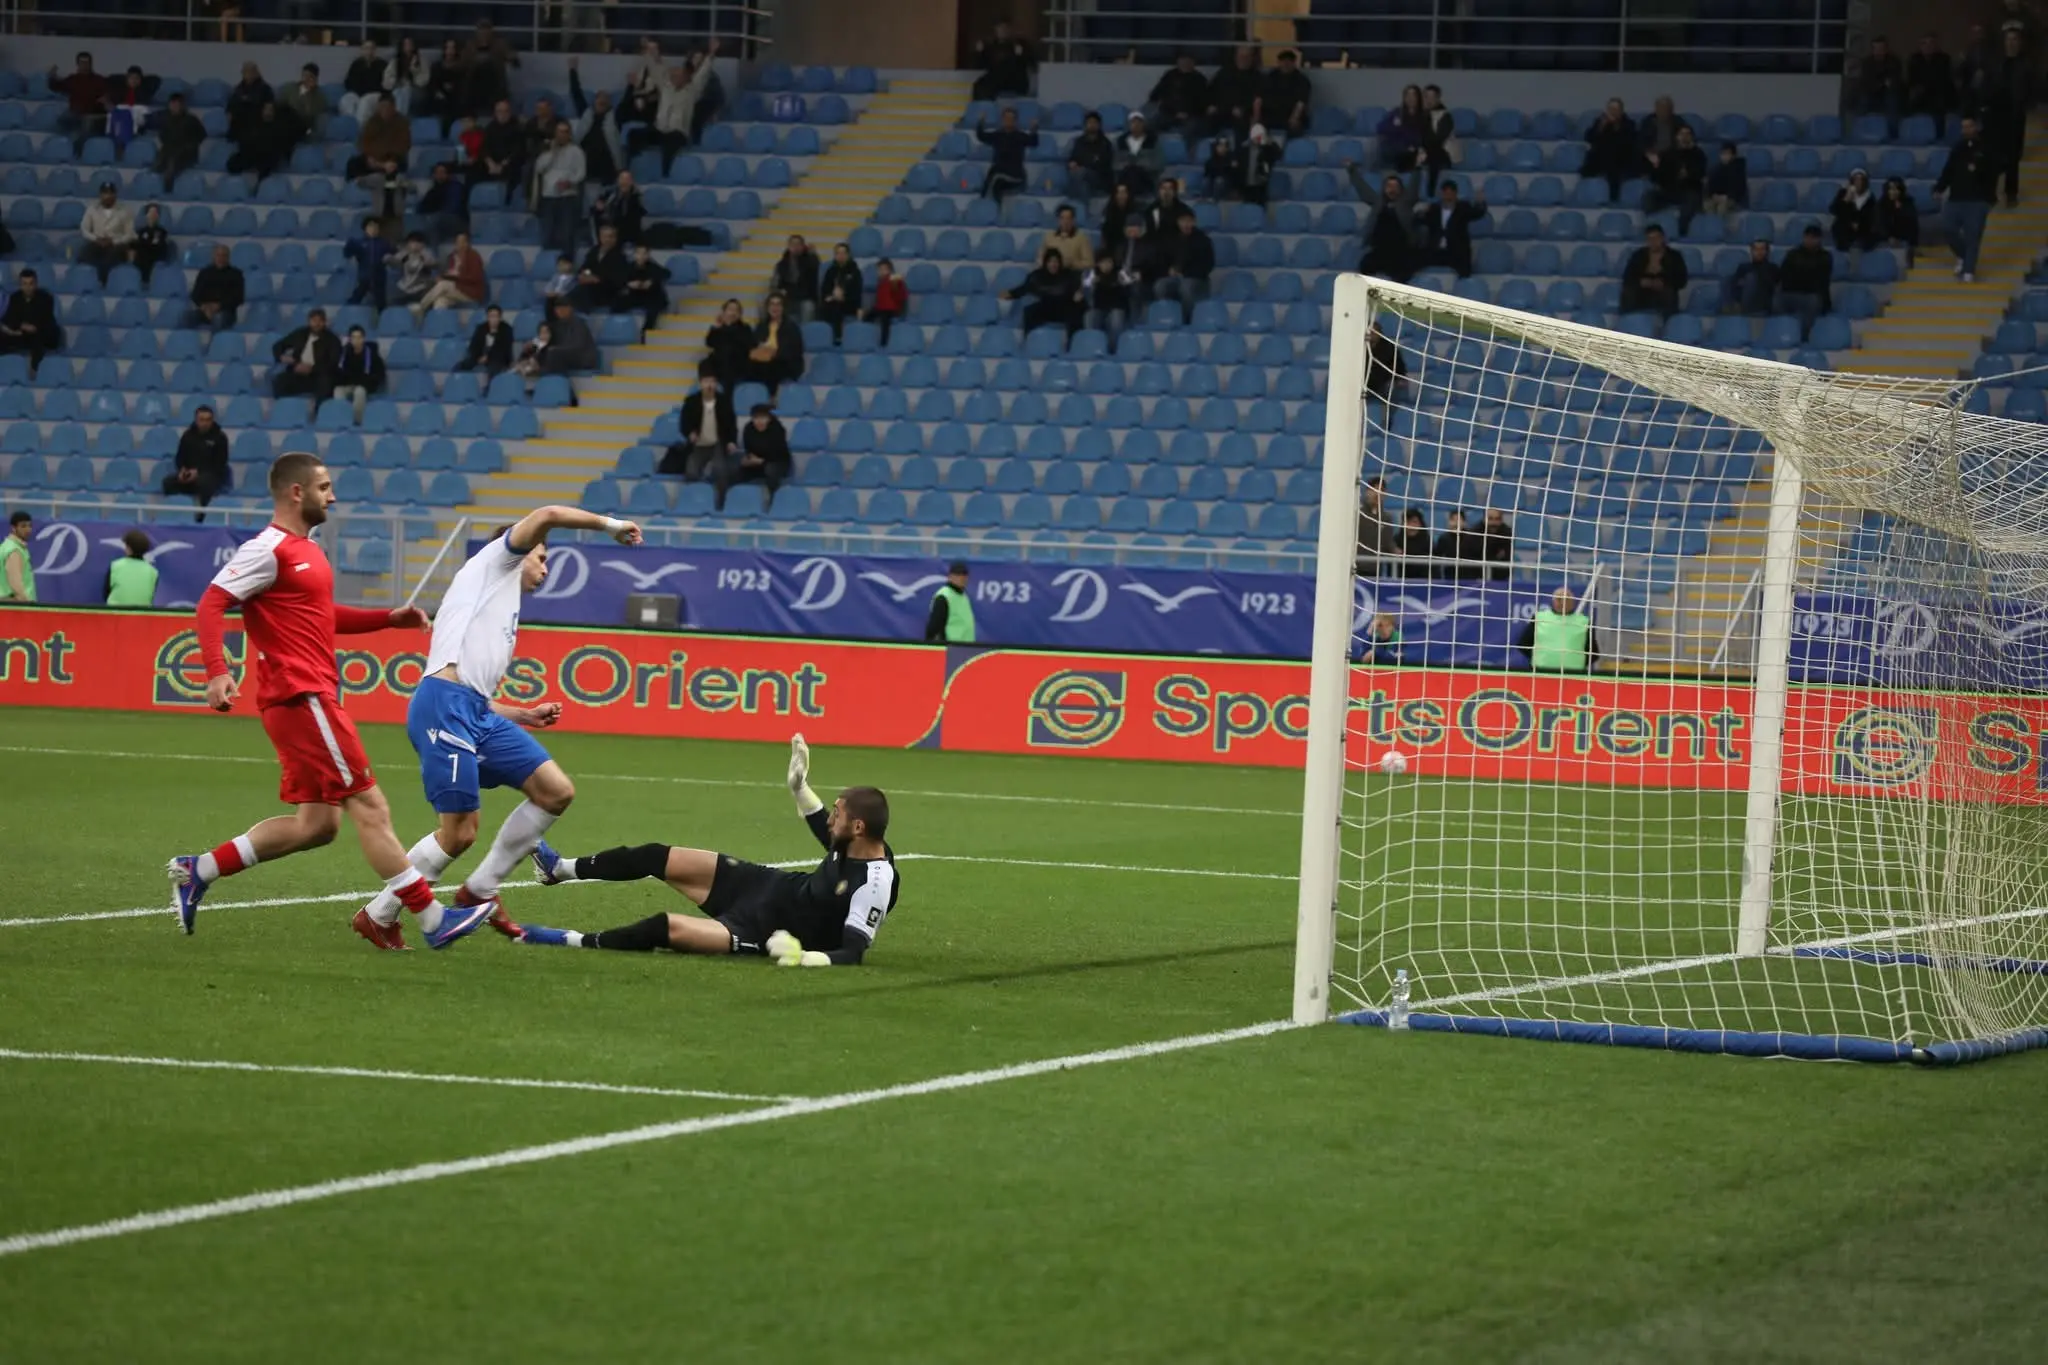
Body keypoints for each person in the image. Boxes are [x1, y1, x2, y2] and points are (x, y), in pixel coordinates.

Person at [166, 452, 462, 943]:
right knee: (369, 804)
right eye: (325, 487)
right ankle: (432, 918)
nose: (333, 496)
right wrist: (217, 672)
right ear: (296, 492)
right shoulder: (267, 549)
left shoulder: (308, 550)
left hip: (305, 699)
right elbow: (211, 603)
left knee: (317, 826)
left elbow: (324, 614)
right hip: (301, 695)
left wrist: (387, 619)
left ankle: (199, 870)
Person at [352, 505, 642, 951]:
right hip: (443, 709)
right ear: (520, 551)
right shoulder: (496, 561)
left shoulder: (500, 600)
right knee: (459, 833)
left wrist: (523, 714)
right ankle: (379, 915)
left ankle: (479, 889)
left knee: (555, 791)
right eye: (541, 558)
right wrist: (613, 526)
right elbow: (547, 512)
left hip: (475, 713)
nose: (545, 569)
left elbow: (476, 693)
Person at [511, 737, 899, 970]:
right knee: (656, 855)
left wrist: (805, 956)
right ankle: (558, 869)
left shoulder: (875, 882)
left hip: (762, 930)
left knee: (665, 928)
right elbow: (824, 832)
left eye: (837, 814)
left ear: (858, 827)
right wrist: (799, 788)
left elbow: (853, 952)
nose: (830, 819)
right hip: (765, 886)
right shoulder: (852, 842)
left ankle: (571, 940)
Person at [633, 49, 717, 177]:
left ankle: (665, 174)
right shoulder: (665, 88)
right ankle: (632, 168)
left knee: (670, 142)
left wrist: (711, 54)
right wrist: (649, 54)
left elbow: (702, 74)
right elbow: (655, 70)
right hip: (660, 130)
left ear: (685, 78)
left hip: (678, 133)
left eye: (677, 76)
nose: (673, 78)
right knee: (634, 135)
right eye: (672, 76)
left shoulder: (692, 91)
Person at [1934, 116, 1996, 282]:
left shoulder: (1987, 149)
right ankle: (1962, 256)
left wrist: (1990, 199)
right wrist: (1939, 188)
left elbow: (1992, 176)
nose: (1966, 130)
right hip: (1955, 198)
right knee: (1948, 229)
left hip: (1977, 200)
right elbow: (1948, 171)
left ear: (1977, 127)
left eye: (1969, 126)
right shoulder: (1958, 148)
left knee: (1973, 237)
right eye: (1963, 127)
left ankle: (1969, 271)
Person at [1983, 27, 2032, 207]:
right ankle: (1990, 192)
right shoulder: (1995, 64)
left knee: (2012, 159)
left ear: (2020, 43)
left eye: (2014, 39)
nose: (2011, 43)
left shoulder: (2026, 65)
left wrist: (2024, 104)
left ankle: (2011, 194)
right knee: (1993, 156)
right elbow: (1988, 86)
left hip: (2015, 118)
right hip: (1995, 117)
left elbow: (2032, 90)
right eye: (2008, 39)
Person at [663, 364, 736, 479]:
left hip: (718, 443)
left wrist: (731, 441)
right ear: (700, 383)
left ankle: (720, 491)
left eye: (712, 381)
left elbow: (731, 424)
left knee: (720, 471)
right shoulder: (691, 402)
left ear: (716, 383)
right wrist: (690, 433)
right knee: (691, 471)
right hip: (698, 444)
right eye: (706, 381)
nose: (709, 385)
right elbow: (684, 423)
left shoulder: (724, 402)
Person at [1349, 164, 1419, 282]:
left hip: (1400, 253)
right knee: (1365, 267)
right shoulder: (1378, 203)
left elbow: (1414, 188)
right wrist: (1352, 171)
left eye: (1395, 186)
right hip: (1379, 251)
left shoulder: (1405, 204)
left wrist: (1417, 168)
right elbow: (1363, 190)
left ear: (1401, 189)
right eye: (1389, 186)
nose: (1392, 189)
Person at [715, 403, 790, 511]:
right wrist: (748, 459)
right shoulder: (748, 428)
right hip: (755, 463)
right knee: (729, 472)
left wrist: (761, 461)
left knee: (771, 471)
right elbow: (749, 449)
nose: (759, 422)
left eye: (763, 418)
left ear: (769, 418)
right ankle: (721, 504)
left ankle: (773, 504)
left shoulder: (778, 429)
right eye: (756, 418)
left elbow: (778, 453)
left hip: (777, 462)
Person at [162, 405, 231, 518]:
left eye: (208, 420)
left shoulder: (220, 437)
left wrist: (198, 472)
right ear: (196, 420)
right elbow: (180, 457)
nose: (205, 423)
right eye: (202, 420)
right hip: (189, 475)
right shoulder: (187, 435)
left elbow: (220, 464)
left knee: (204, 482)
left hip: (211, 476)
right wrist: (182, 470)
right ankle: (174, 513)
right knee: (168, 483)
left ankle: (201, 516)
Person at [566, 58, 625, 188]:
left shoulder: (615, 117)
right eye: (600, 97)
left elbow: (626, 103)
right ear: (594, 100)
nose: (602, 100)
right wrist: (572, 70)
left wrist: (632, 85)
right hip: (585, 159)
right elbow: (576, 93)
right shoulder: (586, 112)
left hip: (606, 162)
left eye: (606, 98)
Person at [1005, 248, 1084, 337]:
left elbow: (1078, 292)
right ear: (1045, 263)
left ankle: (1074, 342)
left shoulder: (1068, 275)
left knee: (1075, 314)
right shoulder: (1037, 275)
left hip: (1065, 308)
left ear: (1060, 263)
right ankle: (1028, 339)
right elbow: (1024, 288)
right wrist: (1011, 294)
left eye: (1056, 262)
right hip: (1046, 308)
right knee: (1029, 312)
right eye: (1050, 262)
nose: (1053, 264)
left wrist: (1078, 296)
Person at [1516, 586, 1598, 672]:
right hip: (1541, 672)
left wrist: (1576, 662)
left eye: (1566, 599)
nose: (1562, 602)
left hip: (1573, 674)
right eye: (1559, 599)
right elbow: (1523, 644)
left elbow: (1593, 652)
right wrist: (1539, 658)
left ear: (1573, 602)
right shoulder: (1539, 618)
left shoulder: (1584, 622)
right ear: (1553, 601)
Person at [1642, 124, 1706, 234]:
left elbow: (1700, 174)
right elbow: (1657, 178)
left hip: (1689, 190)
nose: (1685, 137)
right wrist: (1655, 166)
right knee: (1649, 196)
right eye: (1682, 134)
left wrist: (1688, 174)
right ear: (1676, 137)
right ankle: (1651, 228)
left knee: (1692, 201)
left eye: (1688, 134)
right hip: (1669, 191)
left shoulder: (1698, 154)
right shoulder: (1668, 154)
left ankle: (1682, 232)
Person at [1418, 179, 1486, 278]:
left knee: (1463, 267)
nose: (1448, 196)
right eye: (1446, 193)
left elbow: (1477, 213)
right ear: (1442, 194)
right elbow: (1420, 221)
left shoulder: (1463, 207)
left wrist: (1480, 202)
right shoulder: (1433, 209)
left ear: (1455, 194)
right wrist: (1420, 212)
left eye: (1451, 193)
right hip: (1436, 250)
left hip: (1457, 251)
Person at [1154, 210, 1213, 325]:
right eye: (1183, 221)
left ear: (1194, 222)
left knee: (1185, 288)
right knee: (1160, 286)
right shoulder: (1171, 240)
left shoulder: (1203, 240)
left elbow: (1207, 265)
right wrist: (1169, 270)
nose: (1186, 224)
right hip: (1175, 277)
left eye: (1189, 221)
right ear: (1178, 222)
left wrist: (1185, 273)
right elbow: (1163, 260)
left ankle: (1187, 320)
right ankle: (1168, 317)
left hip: (1197, 278)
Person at [272, 308, 340, 407]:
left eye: (320, 321)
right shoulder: (300, 334)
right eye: (314, 321)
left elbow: (333, 363)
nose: (317, 324)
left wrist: (311, 369)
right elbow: (278, 346)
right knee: (280, 381)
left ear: (324, 322)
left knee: (326, 383)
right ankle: (283, 409)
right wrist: (281, 357)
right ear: (309, 321)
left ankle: (319, 412)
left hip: (319, 375)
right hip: (298, 373)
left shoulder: (333, 339)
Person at [1776, 225, 1833, 341]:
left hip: (1811, 295)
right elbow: (1784, 274)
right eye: (1807, 237)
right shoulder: (1793, 254)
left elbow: (1820, 280)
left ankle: (1803, 336)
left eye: (1813, 238)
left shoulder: (1825, 257)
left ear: (1819, 239)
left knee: (1813, 301)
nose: (1810, 240)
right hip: (1791, 293)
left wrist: (1800, 275)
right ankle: (1782, 332)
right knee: (1777, 300)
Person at [0, 270, 62, 374]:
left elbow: (45, 319)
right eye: (24, 284)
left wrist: (27, 326)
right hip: (22, 333)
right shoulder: (15, 298)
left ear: (36, 284)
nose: (28, 287)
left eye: (31, 284)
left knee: (39, 335)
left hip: (43, 333)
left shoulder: (46, 298)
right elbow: (10, 318)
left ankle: (34, 369)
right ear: (20, 285)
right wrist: (20, 326)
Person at [1580, 98, 1640, 203]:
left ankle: (1614, 200)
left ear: (1621, 111)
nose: (1613, 112)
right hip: (1601, 157)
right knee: (1587, 169)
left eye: (1615, 109)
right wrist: (1601, 127)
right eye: (1610, 109)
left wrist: (1617, 127)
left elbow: (1629, 142)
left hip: (1621, 158)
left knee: (1615, 171)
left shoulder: (1629, 124)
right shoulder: (1600, 122)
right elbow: (1589, 137)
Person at [1620, 224, 1687, 317]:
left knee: (1668, 293)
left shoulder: (1674, 256)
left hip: (1663, 291)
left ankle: (1668, 322)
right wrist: (1641, 282)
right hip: (1642, 293)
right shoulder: (1638, 255)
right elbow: (1627, 277)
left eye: (1656, 238)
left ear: (1662, 238)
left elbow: (1682, 280)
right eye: (1650, 239)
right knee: (1628, 292)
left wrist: (1663, 283)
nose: (1653, 241)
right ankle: (1628, 321)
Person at [976, 106, 1039, 203]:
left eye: (1011, 119)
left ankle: (988, 203)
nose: (1008, 121)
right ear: (1002, 120)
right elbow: (982, 136)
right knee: (995, 180)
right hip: (999, 174)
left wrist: (1034, 129)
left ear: (1015, 121)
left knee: (995, 177)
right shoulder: (998, 135)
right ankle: (986, 205)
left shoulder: (1020, 136)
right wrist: (981, 122)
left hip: (1015, 175)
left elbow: (1034, 142)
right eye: (1006, 118)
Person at [78, 180, 135, 287]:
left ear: (115, 195)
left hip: (116, 244)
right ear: (100, 195)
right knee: (83, 254)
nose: (107, 196)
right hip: (97, 242)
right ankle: (84, 283)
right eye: (105, 193)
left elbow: (130, 234)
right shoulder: (92, 209)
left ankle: (104, 284)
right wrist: (96, 239)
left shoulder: (125, 211)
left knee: (109, 259)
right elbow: (84, 229)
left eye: (110, 193)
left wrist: (113, 241)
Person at [416, 232, 487, 314]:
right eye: (457, 242)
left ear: (467, 243)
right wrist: (443, 277)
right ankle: (439, 320)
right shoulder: (452, 257)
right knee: (441, 300)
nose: (459, 244)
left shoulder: (474, 256)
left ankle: (420, 307)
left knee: (443, 285)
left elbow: (475, 278)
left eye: (462, 242)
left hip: (470, 292)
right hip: (456, 290)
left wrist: (457, 276)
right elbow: (449, 274)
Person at [226, 101, 296, 183]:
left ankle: (261, 185)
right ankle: (237, 184)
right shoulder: (255, 124)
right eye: (266, 109)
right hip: (253, 153)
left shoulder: (279, 127)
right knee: (233, 163)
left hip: (268, 155)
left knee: (267, 162)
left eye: (270, 110)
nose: (268, 112)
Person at [349, 92, 410, 186]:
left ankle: (390, 189)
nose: (384, 110)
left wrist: (383, 162)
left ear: (393, 107)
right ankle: (354, 187)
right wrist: (370, 157)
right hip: (374, 159)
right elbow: (365, 141)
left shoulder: (402, 123)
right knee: (353, 163)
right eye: (382, 106)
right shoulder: (372, 121)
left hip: (393, 158)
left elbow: (402, 146)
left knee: (393, 167)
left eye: (387, 107)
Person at [970, 19, 1036, 101]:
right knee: (981, 86)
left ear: (1010, 30)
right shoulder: (991, 47)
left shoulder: (1020, 44)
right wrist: (979, 53)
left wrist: (1020, 55)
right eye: (1000, 28)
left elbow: (1032, 65)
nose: (1003, 31)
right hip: (996, 81)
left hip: (1015, 80)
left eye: (1005, 28)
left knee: (1005, 66)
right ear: (995, 30)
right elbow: (980, 66)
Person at [154, 91, 205, 194]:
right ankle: (154, 186)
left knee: (173, 162)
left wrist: (189, 145)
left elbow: (201, 135)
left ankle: (168, 189)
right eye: (172, 104)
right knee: (160, 160)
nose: (174, 107)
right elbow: (162, 136)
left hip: (186, 152)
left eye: (177, 104)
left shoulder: (191, 120)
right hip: (169, 150)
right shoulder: (166, 120)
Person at [572, 223, 630, 313]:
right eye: (605, 236)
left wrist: (597, 279)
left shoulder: (620, 256)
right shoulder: (594, 251)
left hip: (607, 292)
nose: (608, 239)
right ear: (600, 237)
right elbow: (586, 268)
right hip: (589, 287)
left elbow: (618, 280)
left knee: (582, 292)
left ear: (616, 238)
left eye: (611, 237)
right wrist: (587, 275)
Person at [1206, 46, 1262, 138]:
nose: (1243, 59)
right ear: (1236, 57)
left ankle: (1240, 146)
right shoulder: (1224, 72)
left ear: (1251, 58)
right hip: (1222, 108)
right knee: (1208, 120)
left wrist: (1244, 108)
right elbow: (1211, 90)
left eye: (1246, 57)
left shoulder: (1257, 77)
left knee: (1242, 123)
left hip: (1242, 112)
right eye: (1241, 56)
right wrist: (1211, 104)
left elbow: (1257, 98)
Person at [1149, 52, 1208, 137]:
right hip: (1169, 113)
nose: (1184, 64)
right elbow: (1156, 94)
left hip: (1190, 116)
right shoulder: (1170, 75)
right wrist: (1172, 112)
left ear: (1193, 63)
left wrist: (1188, 113)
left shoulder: (1200, 79)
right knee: (1150, 125)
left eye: (1187, 61)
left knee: (1190, 130)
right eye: (1182, 61)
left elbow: (1203, 102)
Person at [471, 99, 527, 190]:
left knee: (513, 169)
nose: (503, 114)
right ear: (495, 113)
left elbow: (518, 151)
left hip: (508, 163)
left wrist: (502, 165)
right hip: (492, 163)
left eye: (506, 111)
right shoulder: (490, 127)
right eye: (499, 111)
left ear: (510, 113)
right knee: (474, 169)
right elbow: (484, 147)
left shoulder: (517, 128)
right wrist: (490, 163)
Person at [335, 325, 386, 421]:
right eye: (354, 337)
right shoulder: (344, 353)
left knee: (359, 392)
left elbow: (378, 374)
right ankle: (342, 419)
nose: (356, 340)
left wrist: (366, 382)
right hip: (348, 384)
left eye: (359, 337)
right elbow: (339, 371)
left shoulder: (372, 354)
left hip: (365, 385)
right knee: (338, 391)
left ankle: (357, 420)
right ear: (350, 339)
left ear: (363, 339)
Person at [1083, 250, 1131, 348]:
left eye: (1109, 262)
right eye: (1103, 262)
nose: (1106, 265)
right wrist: (1092, 286)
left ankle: (1113, 348)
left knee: (1116, 318)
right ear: (1098, 264)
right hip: (1099, 308)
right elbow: (1085, 290)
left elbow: (1129, 289)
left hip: (1117, 308)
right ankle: (1094, 347)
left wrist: (1122, 285)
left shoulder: (1120, 273)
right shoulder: (1093, 274)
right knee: (1090, 316)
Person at [538, 297, 599, 375]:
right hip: (566, 355)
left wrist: (557, 349)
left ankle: (553, 378)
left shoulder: (578, 324)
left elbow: (578, 346)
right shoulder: (559, 325)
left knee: (554, 353)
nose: (560, 311)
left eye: (563, 309)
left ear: (570, 308)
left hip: (582, 357)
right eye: (557, 309)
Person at [816, 242, 862, 343]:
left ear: (848, 255)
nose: (841, 256)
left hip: (849, 303)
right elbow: (825, 289)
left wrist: (843, 297)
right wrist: (830, 296)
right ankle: (822, 339)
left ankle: (838, 337)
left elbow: (857, 292)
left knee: (836, 307)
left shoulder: (855, 271)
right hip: (832, 300)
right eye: (838, 253)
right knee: (822, 308)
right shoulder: (831, 271)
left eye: (843, 253)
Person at [1377, 85, 1428, 179]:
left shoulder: (1424, 116)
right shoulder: (1397, 112)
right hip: (1396, 151)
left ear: (1418, 98)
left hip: (1414, 152)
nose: (1410, 98)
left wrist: (1413, 146)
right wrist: (1395, 126)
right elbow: (1380, 128)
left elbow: (1423, 137)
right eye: (1408, 95)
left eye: (1413, 95)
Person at [343, 216, 392, 312]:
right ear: (365, 228)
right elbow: (347, 254)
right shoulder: (358, 242)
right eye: (371, 226)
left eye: (376, 227)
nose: (373, 229)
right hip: (364, 276)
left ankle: (382, 317)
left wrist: (390, 258)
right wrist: (349, 247)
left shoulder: (384, 243)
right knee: (356, 297)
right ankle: (346, 313)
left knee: (381, 303)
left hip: (379, 277)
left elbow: (394, 255)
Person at [189, 244, 244, 330]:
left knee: (219, 318)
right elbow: (195, 294)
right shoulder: (204, 273)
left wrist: (218, 306)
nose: (221, 258)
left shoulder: (236, 274)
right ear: (213, 256)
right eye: (218, 255)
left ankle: (215, 339)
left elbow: (238, 298)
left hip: (226, 312)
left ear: (228, 258)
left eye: (224, 255)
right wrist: (204, 307)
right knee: (186, 316)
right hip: (205, 310)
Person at [1065, 110, 1115, 202]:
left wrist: (1083, 165)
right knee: (1082, 184)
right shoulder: (1079, 142)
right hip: (1082, 176)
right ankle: (1081, 206)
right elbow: (1073, 158)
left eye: (1094, 122)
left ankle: (1074, 202)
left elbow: (1102, 164)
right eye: (1089, 122)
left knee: (1079, 174)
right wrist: (1072, 163)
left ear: (1099, 125)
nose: (1092, 125)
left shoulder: (1105, 143)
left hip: (1100, 178)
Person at [1417, 84, 1458, 196]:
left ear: (1438, 98)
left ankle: (1431, 193)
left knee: (1434, 154)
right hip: (1424, 152)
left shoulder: (1445, 116)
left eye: (1432, 97)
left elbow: (1438, 139)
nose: (1428, 100)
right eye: (1426, 97)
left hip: (1442, 153)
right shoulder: (1420, 115)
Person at [769, 236, 820, 322]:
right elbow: (776, 284)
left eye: (798, 244)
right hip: (788, 298)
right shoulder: (782, 264)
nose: (795, 247)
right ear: (789, 246)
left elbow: (816, 274)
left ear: (803, 246)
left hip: (805, 297)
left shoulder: (810, 262)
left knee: (808, 307)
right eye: (793, 244)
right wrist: (779, 291)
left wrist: (813, 255)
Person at [705, 297, 754, 387]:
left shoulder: (745, 328)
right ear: (724, 312)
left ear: (740, 314)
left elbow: (749, 344)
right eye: (730, 309)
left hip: (738, 364)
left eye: (736, 310)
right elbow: (709, 343)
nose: (733, 313)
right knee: (705, 364)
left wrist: (728, 327)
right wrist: (715, 328)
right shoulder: (718, 328)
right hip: (720, 365)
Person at [1262, 48, 1312, 137]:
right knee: (1258, 127)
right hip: (1272, 114)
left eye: (1288, 61)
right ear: (1278, 62)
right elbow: (1263, 96)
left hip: (1291, 115)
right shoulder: (1271, 76)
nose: (1285, 64)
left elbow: (1301, 102)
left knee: (1296, 126)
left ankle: (1292, 146)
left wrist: (1295, 117)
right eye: (1283, 61)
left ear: (1294, 63)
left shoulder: (1301, 80)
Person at [1859, 37, 1906, 132]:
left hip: (1889, 92)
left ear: (1886, 49)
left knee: (1893, 100)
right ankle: (1861, 130)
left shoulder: (1894, 61)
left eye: (1881, 48)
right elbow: (1867, 81)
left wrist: (1880, 83)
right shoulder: (1867, 62)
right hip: (1871, 92)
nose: (1879, 51)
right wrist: (1882, 83)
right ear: (1872, 50)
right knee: (1862, 100)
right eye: (1876, 48)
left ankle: (1893, 133)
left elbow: (1895, 80)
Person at [418, 161, 469, 247]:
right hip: (438, 221)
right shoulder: (433, 189)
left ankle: (432, 253)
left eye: (442, 172)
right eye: (436, 172)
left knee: (434, 220)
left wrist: (434, 215)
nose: (439, 175)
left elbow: (453, 208)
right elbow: (422, 207)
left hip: (458, 221)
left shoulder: (456, 187)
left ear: (448, 174)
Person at [1725, 238, 1779, 316]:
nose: (1759, 252)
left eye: (1762, 249)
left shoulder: (1773, 268)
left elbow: (1773, 287)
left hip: (1763, 302)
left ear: (1767, 252)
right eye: (1756, 249)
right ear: (1751, 251)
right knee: (1727, 280)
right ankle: (1730, 307)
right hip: (1743, 300)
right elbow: (1735, 285)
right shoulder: (1744, 267)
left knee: (1750, 278)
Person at [622, 244, 671, 330]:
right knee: (618, 302)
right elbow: (620, 279)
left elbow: (666, 273)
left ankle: (646, 331)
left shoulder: (653, 267)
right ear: (635, 254)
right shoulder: (629, 267)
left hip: (651, 297)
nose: (641, 256)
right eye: (638, 253)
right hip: (635, 296)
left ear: (648, 255)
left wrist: (651, 281)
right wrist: (629, 284)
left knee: (654, 308)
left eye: (644, 253)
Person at [1115, 111, 1164, 197]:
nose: (1136, 125)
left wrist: (1143, 165)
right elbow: (1115, 163)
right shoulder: (1120, 141)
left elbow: (1159, 163)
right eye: (1133, 122)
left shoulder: (1153, 141)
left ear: (1143, 124)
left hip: (1147, 177)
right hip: (1125, 176)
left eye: (1139, 122)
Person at [1829, 170, 1879, 253]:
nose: (1858, 182)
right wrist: (1846, 199)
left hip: (1863, 226)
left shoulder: (1870, 197)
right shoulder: (1843, 193)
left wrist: (1858, 223)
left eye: (1861, 180)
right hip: (1846, 225)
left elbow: (1871, 215)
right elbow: (1834, 210)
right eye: (1856, 179)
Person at [589, 170, 644, 246]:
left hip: (628, 227)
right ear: (618, 181)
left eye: (627, 179)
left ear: (632, 182)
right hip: (611, 224)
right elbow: (599, 203)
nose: (624, 182)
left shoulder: (637, 195)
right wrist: (599, 205)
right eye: (622, 179)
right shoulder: (610, 193)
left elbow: (637, 214)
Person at [1908, 32, 1956, 118]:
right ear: (1920, 46)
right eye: (1924, 43)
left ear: (1936, 45)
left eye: (1931, 43)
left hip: (1939, 91)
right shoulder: (1915, 59)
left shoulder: (1944, 58)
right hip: (1921, 91)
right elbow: (1912, 79)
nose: (1927, 46)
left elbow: (1944, 78)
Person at [105, 529, 157, 607]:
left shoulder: (115, 566)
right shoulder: (153, 572)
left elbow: (106, 593)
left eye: (126, 546)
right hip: (143, 613)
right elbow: (150, 595)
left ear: (129, 548)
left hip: (115, 613)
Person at [459, 304, 515, 376]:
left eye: (496, 316)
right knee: (462, 365)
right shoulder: (481, 329)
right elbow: (473, 346)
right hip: (480, 357)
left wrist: (488, 357)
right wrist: (478, 358)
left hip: (498, 359)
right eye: (491, 316)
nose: (494, 319)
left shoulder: (507, 330)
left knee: (494, 367)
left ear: (500, 318)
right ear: (487, 317)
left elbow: (504, 350)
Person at [925, 561, 975, 642]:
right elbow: (934, 628)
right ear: (950, 577)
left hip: (966, 647)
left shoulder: (963, 596)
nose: (962, 578)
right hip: (951, 647)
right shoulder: (943, 597)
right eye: (958, 575)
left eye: (964, 575)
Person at [1876, 177, 1920, 266]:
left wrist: (1900, 210)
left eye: (1896, 189)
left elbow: (1912, 223)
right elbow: (1879, 223)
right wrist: (1888, 237)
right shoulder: (1881, 204)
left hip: (1903, 236)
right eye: (1891, 189)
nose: (1894, 192)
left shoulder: (1908, 202)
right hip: (1884, 236)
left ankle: (1912, 250)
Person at [1433, 509, 1485, 582]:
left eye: (1458, 519)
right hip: (1450, 576)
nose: (1456, 523)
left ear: (1464, 522)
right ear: (1448, 521)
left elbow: (1479, 555)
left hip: (1470, 577)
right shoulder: (1443, 538)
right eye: (1453, 519)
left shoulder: (1472, 537)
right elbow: (1437, 557)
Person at [279, 62, 328, 139]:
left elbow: (310, 116)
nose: (306, 79)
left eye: (310, 77)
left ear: (315, 79)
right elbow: (279, 105)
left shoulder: (319, 97)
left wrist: (308, 95)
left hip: (303, 126)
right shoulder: (290, 88)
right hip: (286, 120)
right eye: (305, 76)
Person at [865, 258, 907, 345]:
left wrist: (897, 284)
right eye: (880, 269)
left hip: (892, 309)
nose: (882, 271)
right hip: (880, 307)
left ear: (889, 270)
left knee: (885, 320)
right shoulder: (880, 282)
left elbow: (902, 295)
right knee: (866, 317)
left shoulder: (895, 280)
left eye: (885, 269)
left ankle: (883, 344)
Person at [1235, 124, 1279, 207]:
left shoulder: (1267, 149)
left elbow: (1278, 155)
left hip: (1261, 187)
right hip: (1247, 187)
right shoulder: (1244, 149)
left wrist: (1270, 143)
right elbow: (1239, 168)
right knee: (1248, 208)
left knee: (1260, 208)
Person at [1041, 204, 1093, 273]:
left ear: (1073, 220)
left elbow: (1089, 263)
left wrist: (1072, 264)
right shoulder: (1049, 236)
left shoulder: (1081, 238)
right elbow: (1040, 259)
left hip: (1071, 273)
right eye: (1062, 218)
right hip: (1051, 274)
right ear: (1058, 220)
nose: (1065, 221)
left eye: (1068, 218)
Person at [1365, 320, 1408, 405]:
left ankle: (1385, 411)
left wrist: (1400, 378)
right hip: (1362, 381)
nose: (1371, 335)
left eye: (1373, 332)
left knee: (1391, 389)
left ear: (1379, 333)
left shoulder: (1389, 347)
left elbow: (1399, 365)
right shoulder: (1359, 346)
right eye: (1369, 332)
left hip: (1382, 382)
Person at [392, 231, 438, 307]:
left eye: (418, 242)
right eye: (412, 242)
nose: (415, 244)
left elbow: (433, 263)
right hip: (405, 287)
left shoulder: (426, 253)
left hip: (422, 288)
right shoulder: (404, 254)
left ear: (423, 244)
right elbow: (394, 261)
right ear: (408, 244)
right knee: (395, 302)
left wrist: (422, 256)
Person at [342, 40, 386, 119]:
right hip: (357, 94)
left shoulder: (382, 65)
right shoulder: (356, 64)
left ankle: (360, 125)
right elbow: (348, 82)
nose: (369, 51)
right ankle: (351, 122)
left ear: (375, 50)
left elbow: (385, 85)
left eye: (371, 48)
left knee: (365, 101)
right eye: (366, 48)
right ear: (362, 50)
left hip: (375, 95)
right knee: (346, 100)